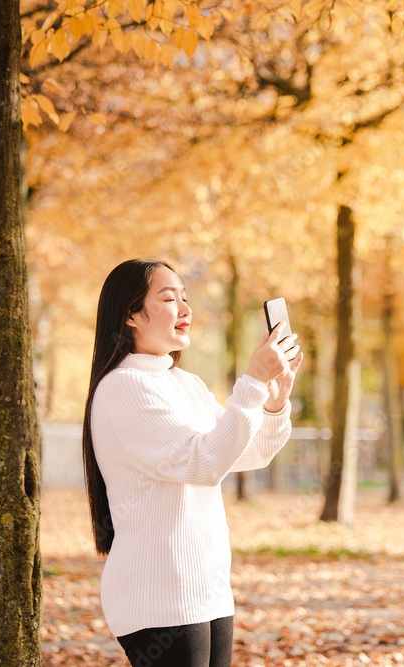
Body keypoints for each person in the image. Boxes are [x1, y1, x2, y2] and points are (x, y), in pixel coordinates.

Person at [81, 258, 302, 667]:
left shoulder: (185, 383)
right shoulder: (123, 388)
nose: (185, 310)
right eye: (168, 298)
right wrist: (251, 382)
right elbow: (203, 464)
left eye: (185, 297)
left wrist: (273, 403)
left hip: (207, 584)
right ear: (130, 314)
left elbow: (244, 452)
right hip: (159, 591)